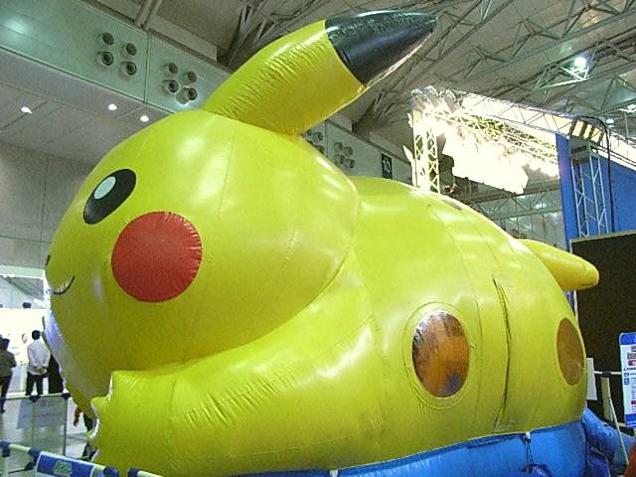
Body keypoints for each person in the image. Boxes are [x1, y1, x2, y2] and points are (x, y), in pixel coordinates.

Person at [25, 330, 50, 396]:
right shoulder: (44, 346)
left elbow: (31, 358)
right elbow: (47, 356)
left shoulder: (30, 346)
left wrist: (36, 366)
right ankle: (40, 401)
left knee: (29, 389)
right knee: (40, 388)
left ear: (32, 336)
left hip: (32, 370)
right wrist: (44, 366)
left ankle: (27, 401)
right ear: (39, 336)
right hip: (42, 371)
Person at [0, 339, 16, 413]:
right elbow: (14, 364)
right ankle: (1, 407)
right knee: (4, 392)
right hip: (7, 375)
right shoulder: (10, 355)